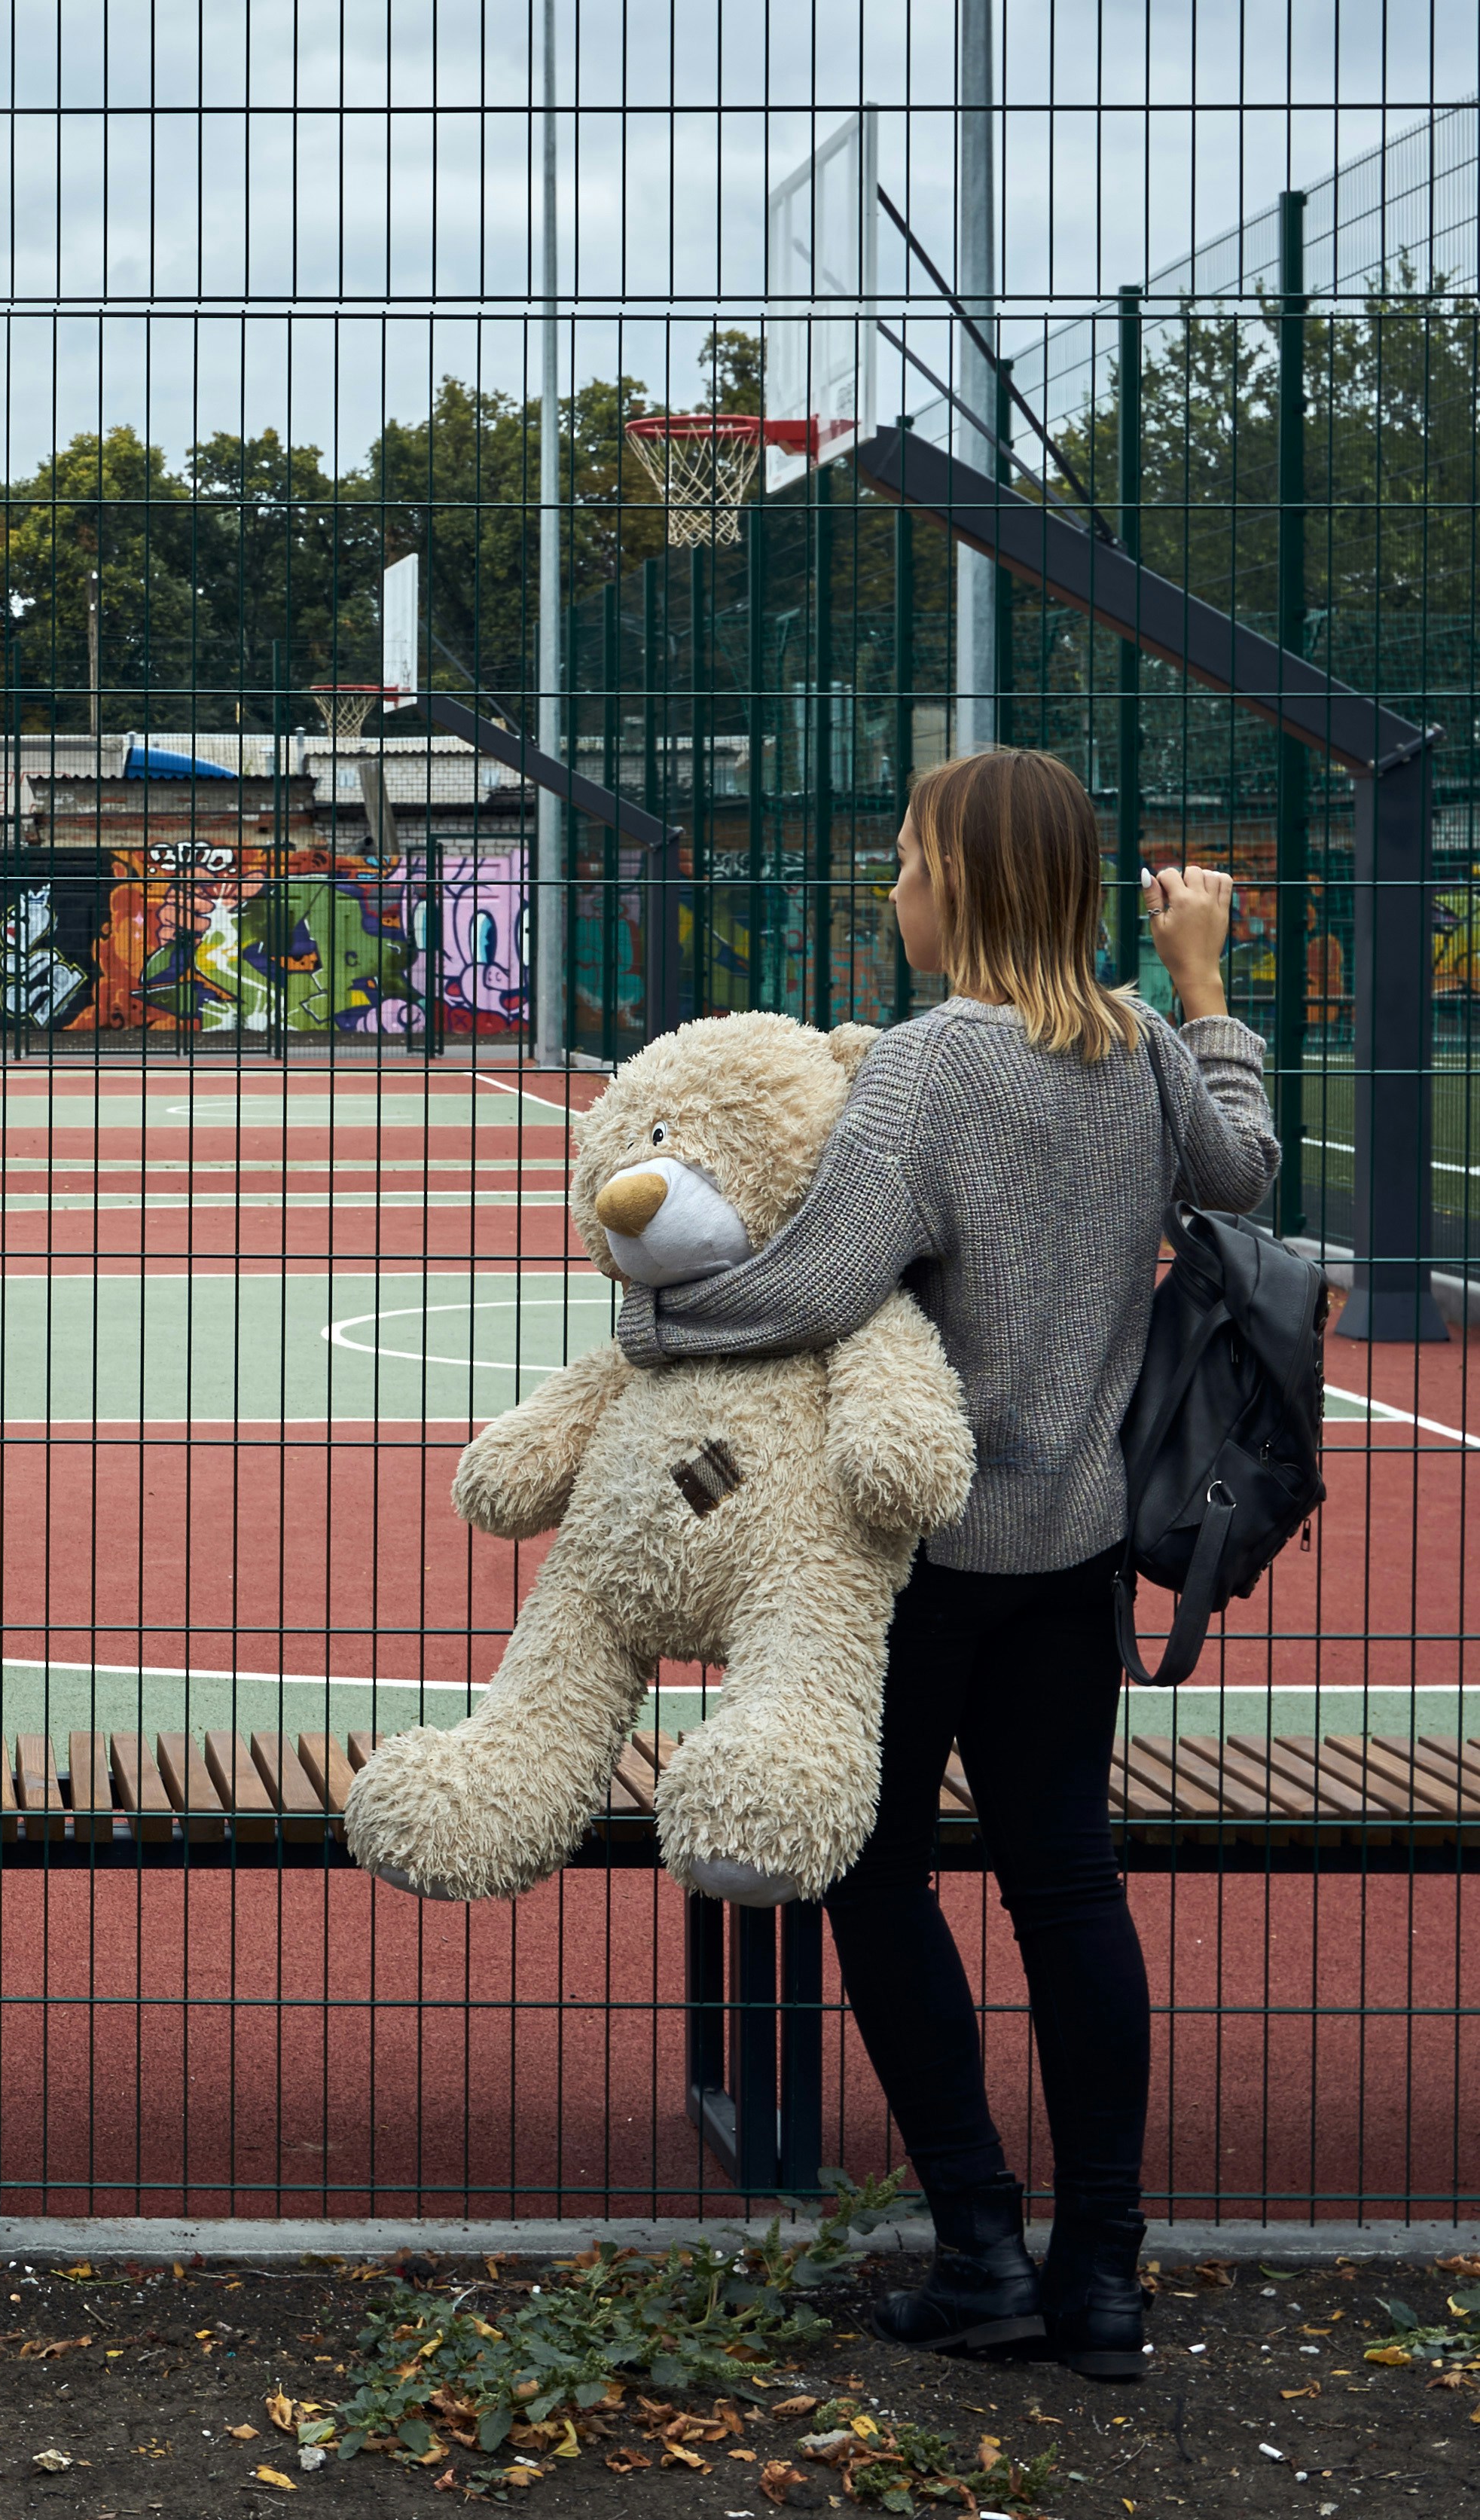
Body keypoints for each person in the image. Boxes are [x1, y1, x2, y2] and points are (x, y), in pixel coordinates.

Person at [612, 747, 1274, 2382]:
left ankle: (978, 2242)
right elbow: (1244, 1173)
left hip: (914, 1551)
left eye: (907, 858)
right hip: (1079, 1546)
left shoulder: (923, 1068)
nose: (891, 885)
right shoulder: (1135, 1049)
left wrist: (650, 1323)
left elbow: (814, 1286)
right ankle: (1100, 2273)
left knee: (874, 1871)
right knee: (1066, 1884)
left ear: (961, 882)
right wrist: (1201, 987)